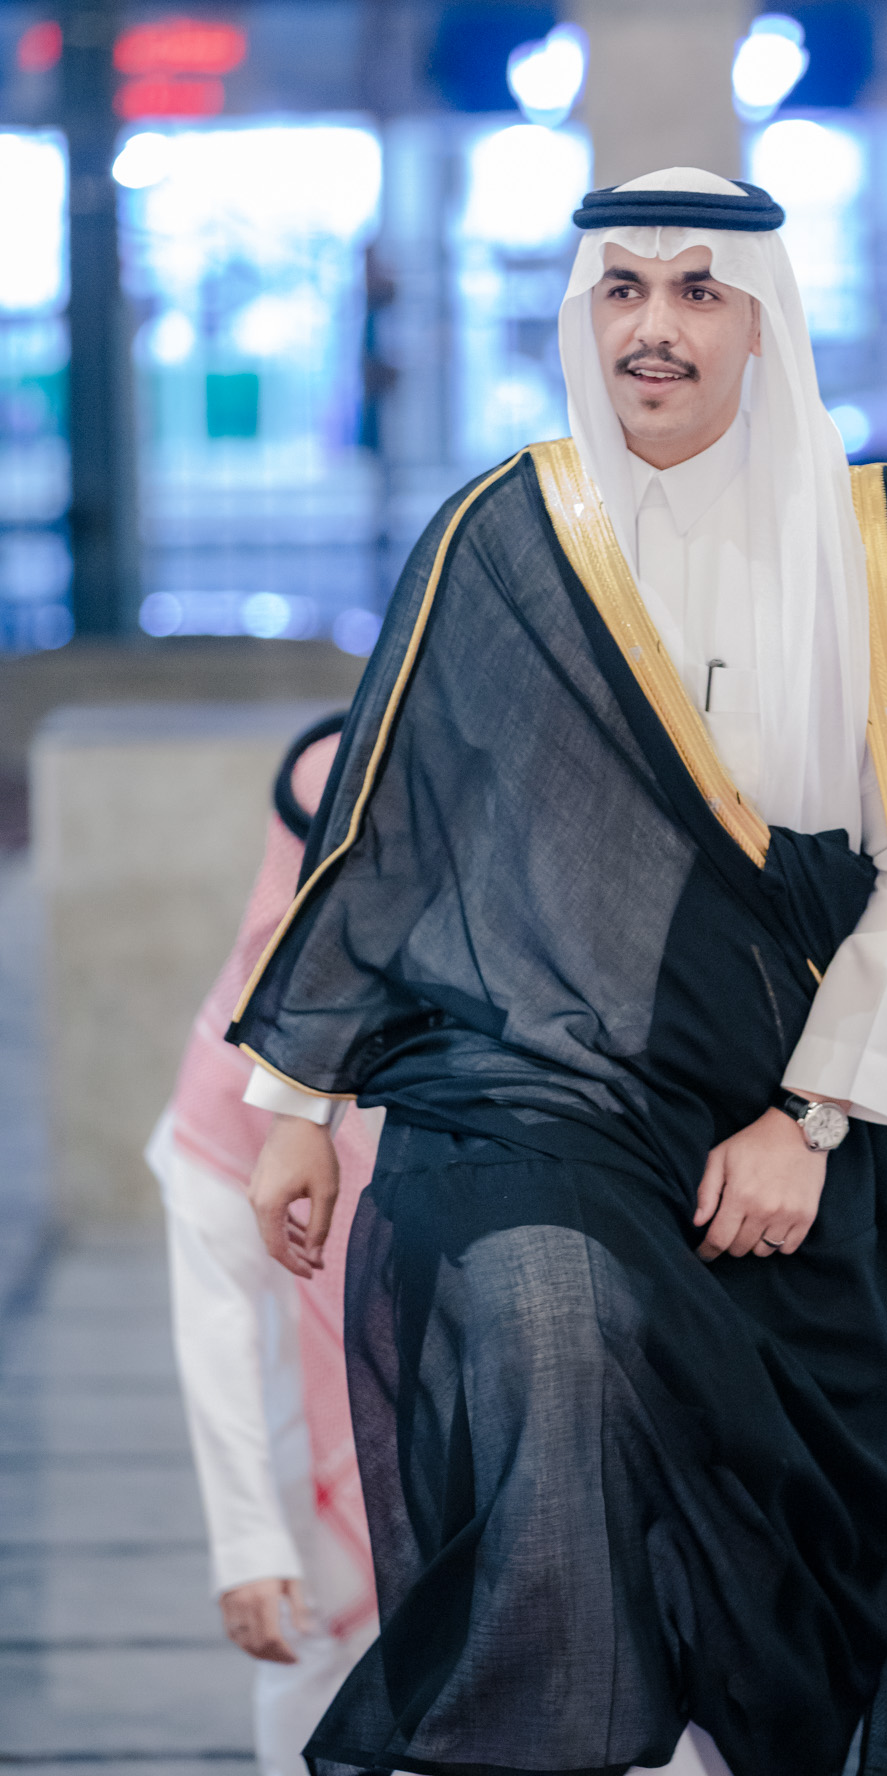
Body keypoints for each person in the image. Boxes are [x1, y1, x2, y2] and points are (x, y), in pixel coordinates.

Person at [230, 170, 887, 1776]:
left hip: (787, 1111)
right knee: (544, 1333)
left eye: (699, 291)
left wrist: (809, 1121)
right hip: (535, 1079)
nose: (655, 328)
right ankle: (526, 1741)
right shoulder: (506, 533)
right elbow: (390, 827)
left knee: (786, 1588)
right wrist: (296, 1104)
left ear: (764, 322)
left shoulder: (872, 546)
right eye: (624, 291)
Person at [148, 717, 380, 1776]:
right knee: (318, 1673)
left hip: (500, 1437)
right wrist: (247, 1545)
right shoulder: (234, 1059)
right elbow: (215, 1318)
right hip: (315, 1466)